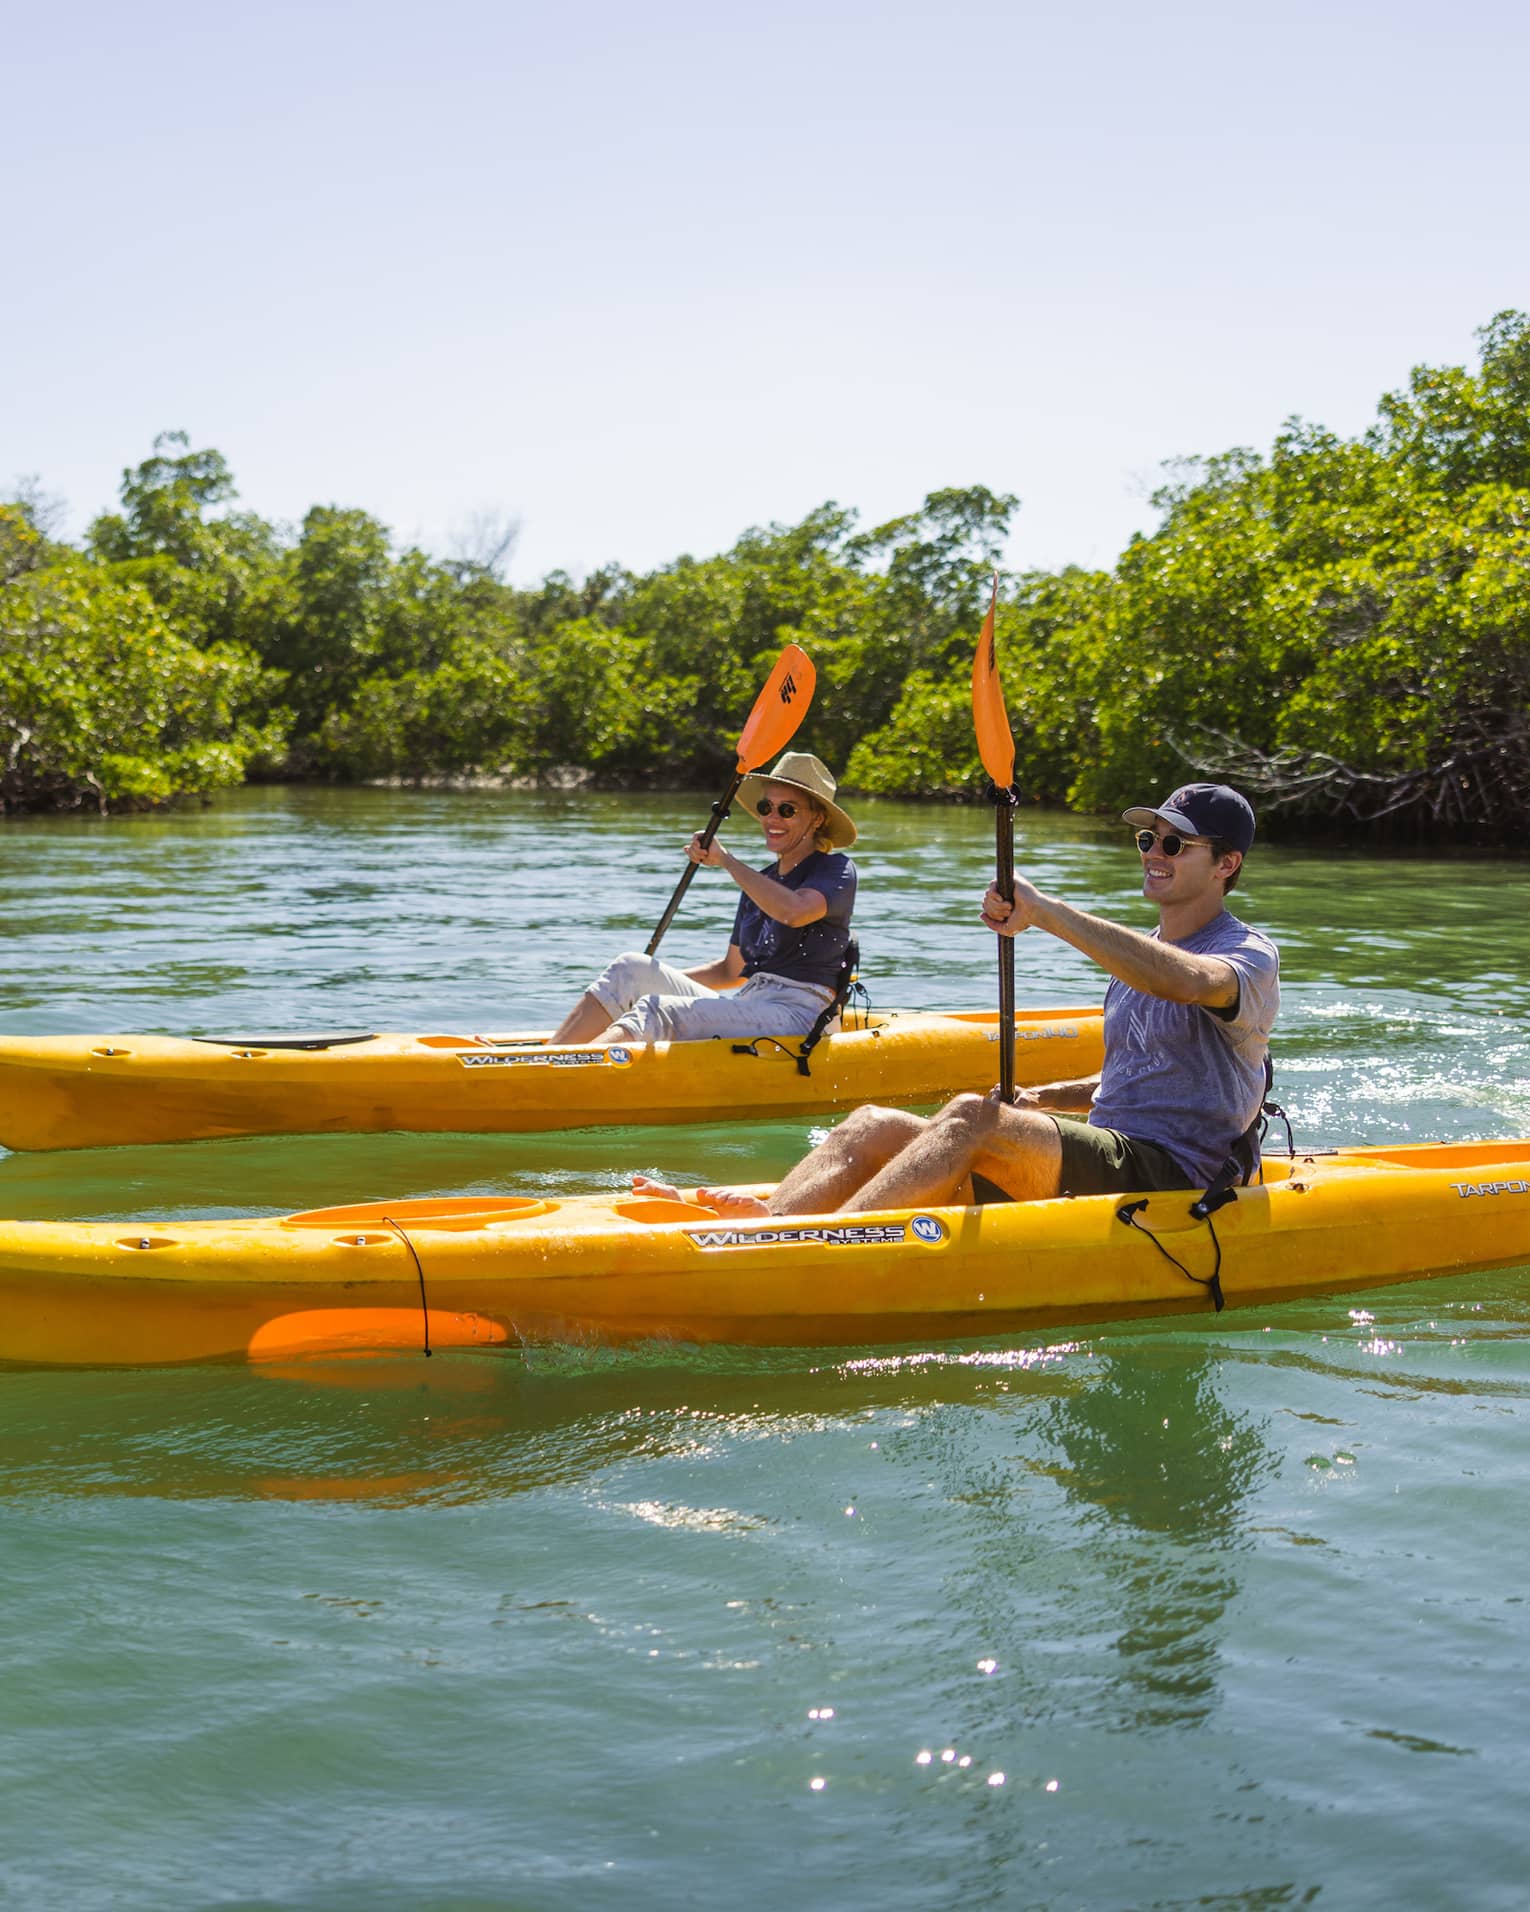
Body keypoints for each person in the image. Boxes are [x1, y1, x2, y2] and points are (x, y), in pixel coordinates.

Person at [636, 781, 1278, 1213]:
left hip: (1178, 1174)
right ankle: (774, 1219)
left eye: (1175, 844)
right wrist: (1041, 1099)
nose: (1153, 854)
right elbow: (1140, 1075)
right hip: (1111, 1149)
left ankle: (824, 1245)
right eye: (1148, 840)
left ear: (1227, 864)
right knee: (872, 1122)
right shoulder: (1139, 951)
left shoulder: (1247, 957)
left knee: (972, 1117)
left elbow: (1188, 983)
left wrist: (1045, 911)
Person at [550, 752, 858, 1046]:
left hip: (802, 1015)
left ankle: (568, 1071)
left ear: (817, 820)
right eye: (767, 808)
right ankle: (546, 1058)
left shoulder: (835, 870)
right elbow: (731, 971)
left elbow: (796, 911)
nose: (772, 818)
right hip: (753, 1003)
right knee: (630, 968)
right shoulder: (761, 880)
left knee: (658, 1010)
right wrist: (645, 984)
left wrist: (725, 860)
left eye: (787, 810)